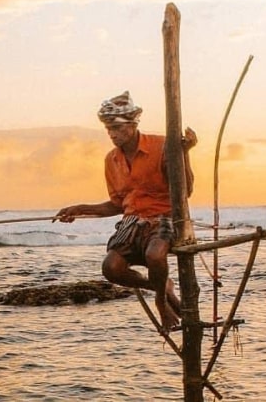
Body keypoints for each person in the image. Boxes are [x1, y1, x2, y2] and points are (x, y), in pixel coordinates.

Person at [54, 91, 197, 331]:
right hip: (132, 222)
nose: (111, 134)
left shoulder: (162, 145)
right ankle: (163, 286)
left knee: (154, 256)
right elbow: (117, 205)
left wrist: (185, 153)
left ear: (132, 125)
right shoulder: (112, 160)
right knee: (111, 268)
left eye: (116, 128)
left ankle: (161, 301)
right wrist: (79, 209)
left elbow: (186, 190)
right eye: (108, 128)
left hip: (165, 217)